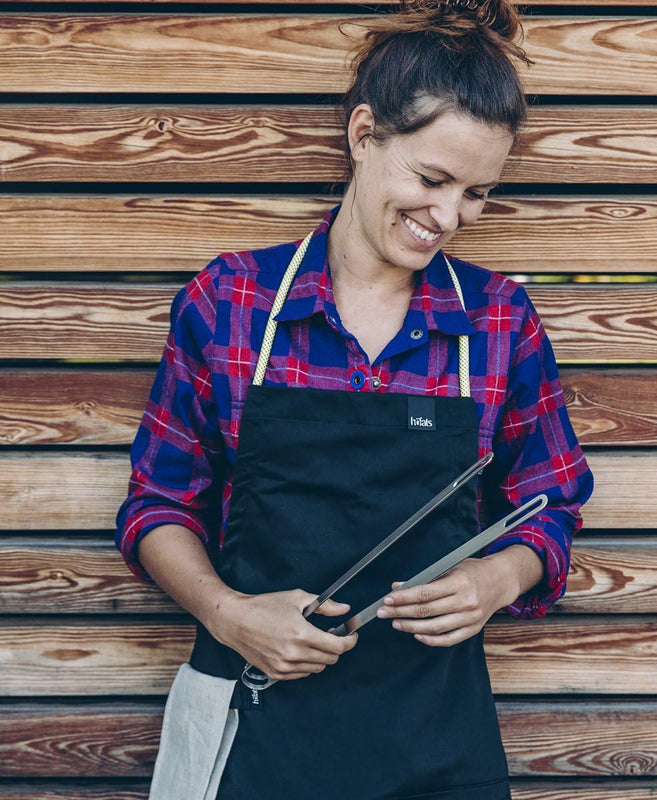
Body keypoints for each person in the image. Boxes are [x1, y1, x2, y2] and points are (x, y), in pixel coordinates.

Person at [116, 0, 593, 797]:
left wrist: (499, 579)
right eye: (432, 179)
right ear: (365, 134)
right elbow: (157, 505)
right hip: (254, 729)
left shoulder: (498, 319)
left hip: (437, 745)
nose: (447, 217)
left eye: (477, 193)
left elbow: (549, 503)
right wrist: (229, 614)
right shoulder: (231, 299)